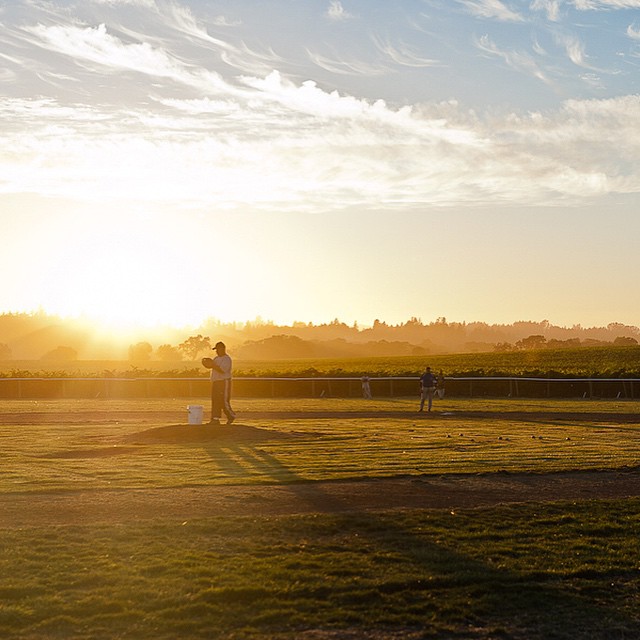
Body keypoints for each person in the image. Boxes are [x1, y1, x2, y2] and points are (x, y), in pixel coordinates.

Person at [208, 341, 236, 425]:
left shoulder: (227, 359)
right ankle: (215, 419)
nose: (216, 351)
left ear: (222, 349)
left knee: (224, 401)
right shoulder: (216, 358)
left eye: (217, 349)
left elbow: (222, 370)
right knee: (215, 400)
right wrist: (208, 364)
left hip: (224, 382)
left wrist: (212, 365)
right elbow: (212, 367)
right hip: (216, 382)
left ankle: (231, 415)